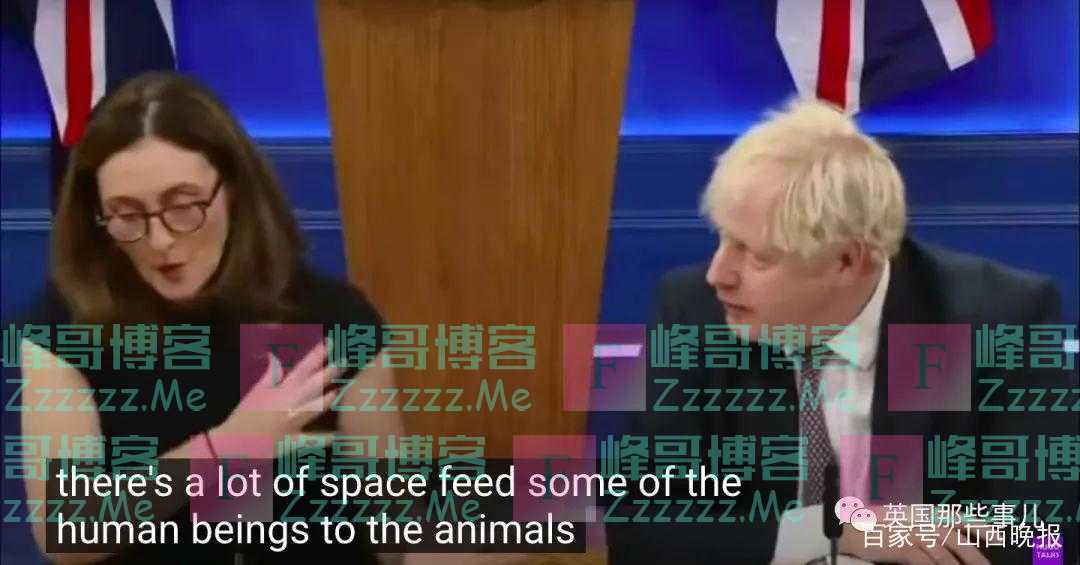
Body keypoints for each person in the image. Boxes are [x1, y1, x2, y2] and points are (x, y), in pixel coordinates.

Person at [605, 99, 1078, 564]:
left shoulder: (996, 322)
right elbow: (633, 526)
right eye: (725, 239)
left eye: (759, 257)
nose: (718, 274)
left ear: (848, 261)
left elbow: (1051, 544)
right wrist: (834, 531)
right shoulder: (696, 314)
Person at [17, 71, 402, 563]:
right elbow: (67, 533)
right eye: (126, 215)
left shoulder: (330, 315)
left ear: (233, 188)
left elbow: (392, 533)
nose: (160, 241)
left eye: (183, 206)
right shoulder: (67, 323)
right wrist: (228, 446)